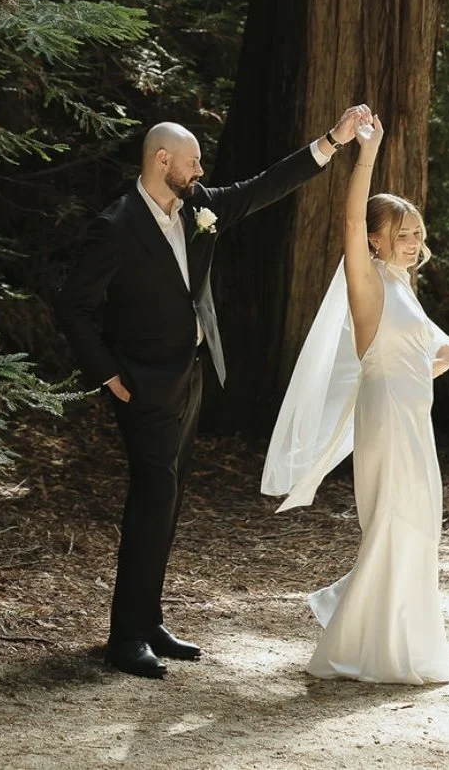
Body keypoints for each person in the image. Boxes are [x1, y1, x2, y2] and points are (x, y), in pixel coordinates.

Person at [56, 104, 373, 679]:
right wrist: (108, 374)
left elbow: (262, 188)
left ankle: (147, 621)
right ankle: (124, 639)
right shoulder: (117, 226)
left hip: (191, 376)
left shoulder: (198, 208)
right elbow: (73, 307)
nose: (202, 169)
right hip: (141, 385)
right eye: (193, 160)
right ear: (162, 161)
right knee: (152, 499)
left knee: (169, 500)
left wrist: (332, 140)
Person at [262, 117, 449, 684]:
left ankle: (393, 639)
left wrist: (441, 358)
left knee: (420, 526)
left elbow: (410, 361)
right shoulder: (367, 278)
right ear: (374, 238)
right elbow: (351, 217)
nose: (414, 243)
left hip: (413, 420)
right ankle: (359, 645)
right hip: (385, 421)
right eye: (403, 235)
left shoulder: (401, 285)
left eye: (418, 234)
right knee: (395, 524)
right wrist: (367, 153)